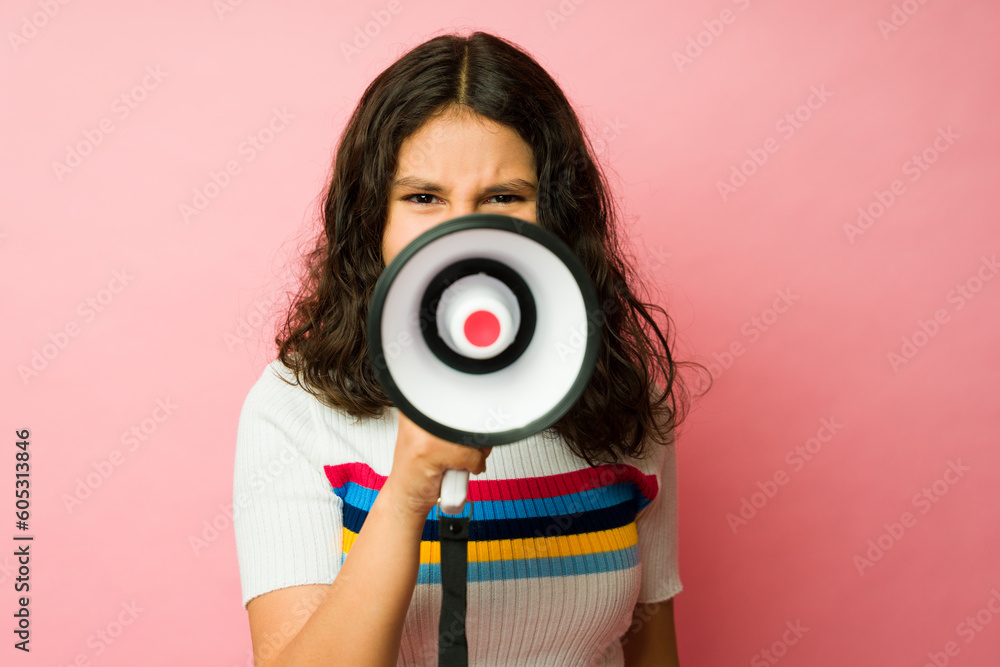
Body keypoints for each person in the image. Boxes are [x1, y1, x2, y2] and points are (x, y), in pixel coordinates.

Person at [234, 30, 705, 666]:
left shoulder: (623, 398)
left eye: (504, 197)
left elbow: (650, 648)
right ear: (375, 219)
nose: (462, 232)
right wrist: (407, 493)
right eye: (423, 198)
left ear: (556, 215)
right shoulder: (297, 408)